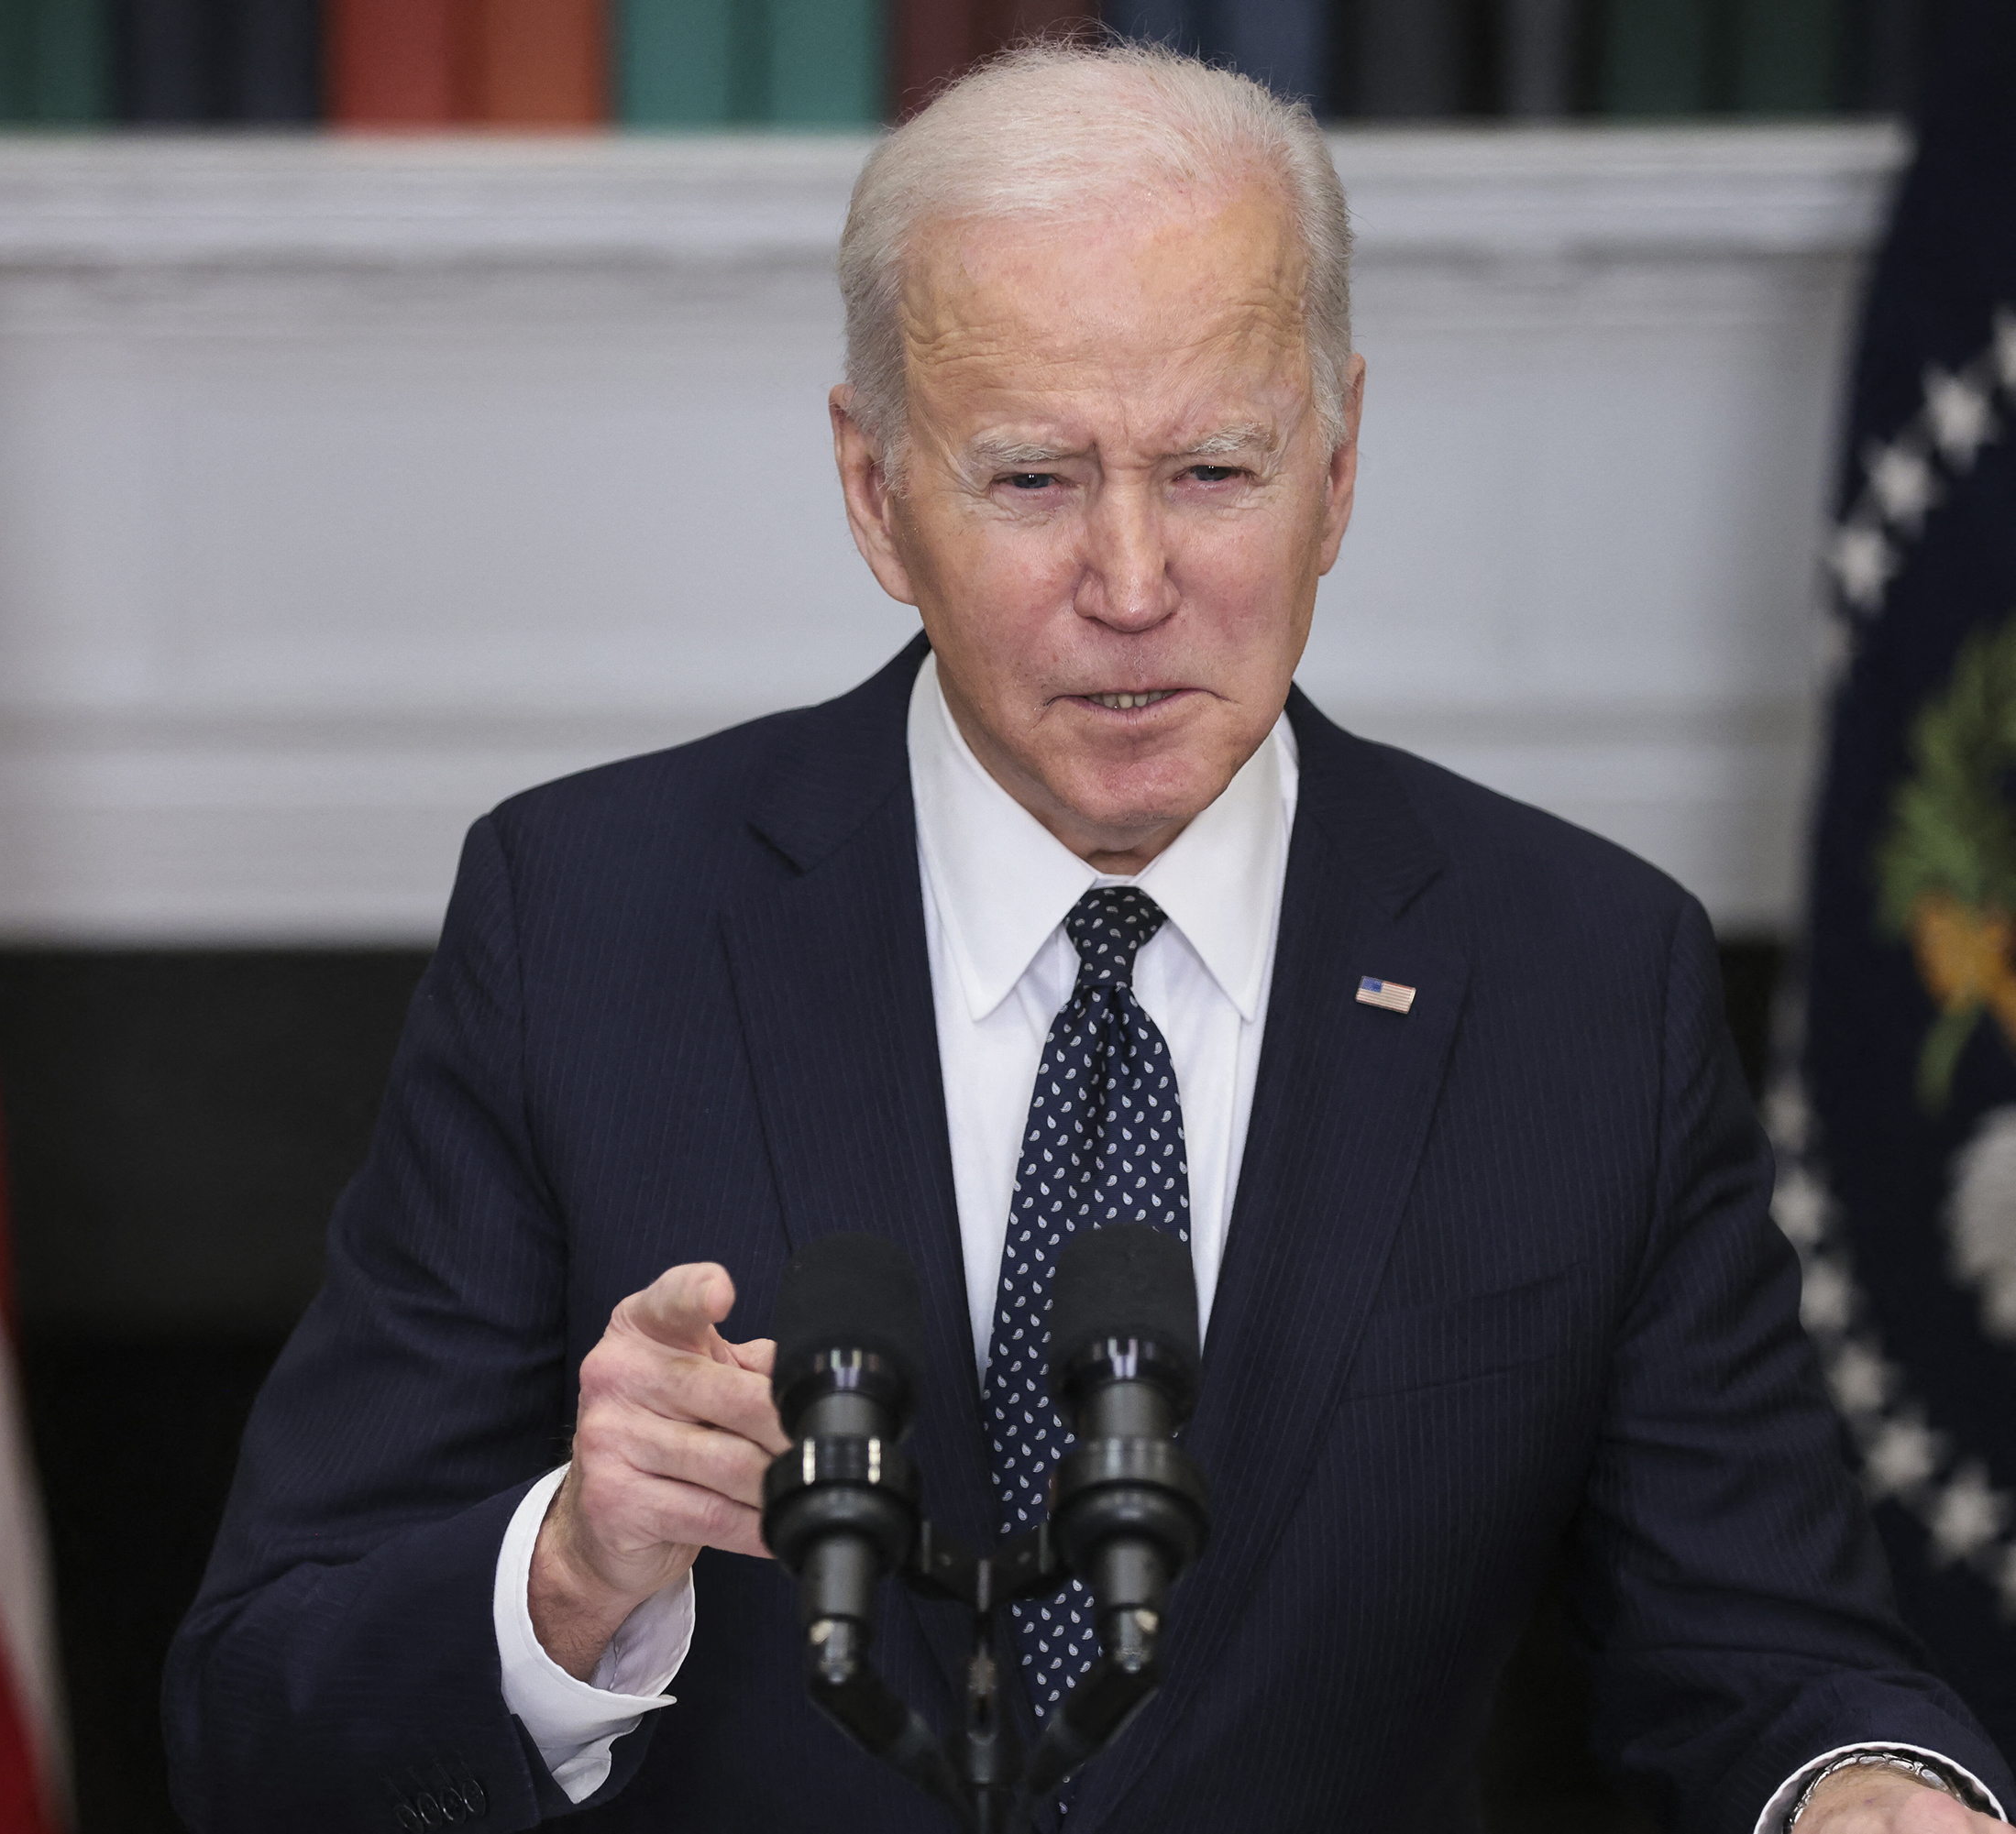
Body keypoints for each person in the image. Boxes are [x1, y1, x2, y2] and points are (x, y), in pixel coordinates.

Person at [164, 43, 2013, 1833]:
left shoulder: (1584, 977)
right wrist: (570, 1570)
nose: (1133, 586)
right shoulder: (585, 924)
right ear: (877, 490)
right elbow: (253, 1723)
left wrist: (1868, 1787)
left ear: (1340, 469)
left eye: (1214, 469)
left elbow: (1768, 1649)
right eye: (1035, 479)